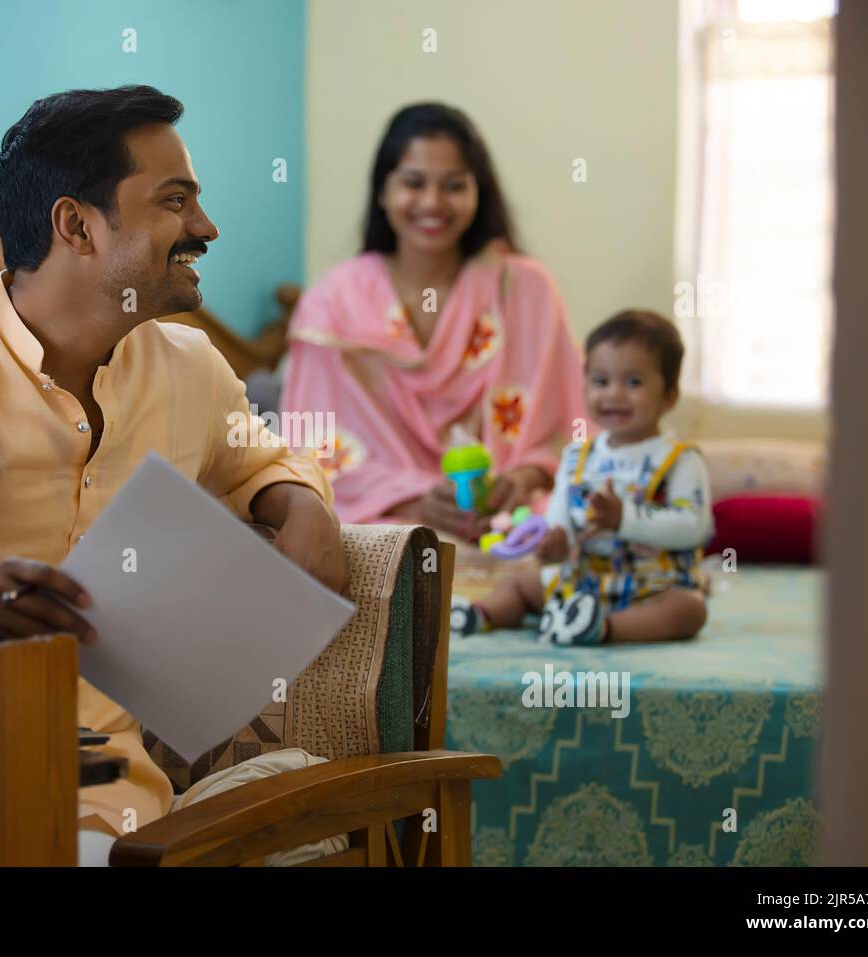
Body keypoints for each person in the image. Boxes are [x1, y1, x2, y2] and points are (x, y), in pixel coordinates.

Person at [0, 85, 347, 860]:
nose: (206, 228)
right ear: (76, 225)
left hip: (117, 815)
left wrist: (302, 503)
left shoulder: (191, 366)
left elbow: (267, 459)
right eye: (175, 201)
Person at [280, 102, 586, 538]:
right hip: (384, 525)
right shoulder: (333, 304)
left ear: (478, 193)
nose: (432, 202)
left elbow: (570, 431)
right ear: (382, 192)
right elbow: (310, 452)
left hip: (515, 522)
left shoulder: (525, 289)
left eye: (454, 185)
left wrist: (522, 479)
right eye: (413, 183)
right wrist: (418, 499)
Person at [451, 310, 712, 645]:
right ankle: (479, 615)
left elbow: (693, 526)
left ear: (669, 396)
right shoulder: (578, 457)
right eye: (601, 381)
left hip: (653, 584)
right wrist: (554, 546)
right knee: (520, 584)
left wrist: (625, 520)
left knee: (688, 609)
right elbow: (560, 517)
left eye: (633, 382)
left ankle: (601, 628)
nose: (614, 394)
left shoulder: (681, 460)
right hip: (586, 578)